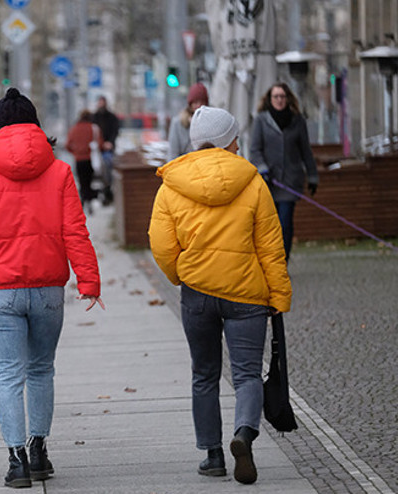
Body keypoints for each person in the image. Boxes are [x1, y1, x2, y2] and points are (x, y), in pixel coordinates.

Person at [0, 88, 104, 489]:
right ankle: (39, 450)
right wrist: (89, 280)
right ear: (36, 126)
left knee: (9, 375)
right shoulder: (60, 171)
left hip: (1, 290)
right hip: (48, 288)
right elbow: (75, 231)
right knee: (41, 369)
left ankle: (16, 462)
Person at [148, 106, 291, 485]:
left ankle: (212, 455)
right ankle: (243, 434)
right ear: (227, 141)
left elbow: (161, 245)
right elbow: (270, 247)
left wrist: (179, 274)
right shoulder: (252, 181)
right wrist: (279, 296)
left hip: (197, 293)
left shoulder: (171, 184)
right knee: (246, 374)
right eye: (236, 138)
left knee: (204, 374)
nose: (240, 144)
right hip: (247, 294)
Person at [249, 82, 319, 260]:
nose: (279, 100)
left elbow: (305, 150)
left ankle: (282, 260)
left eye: (282, 96)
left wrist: (313, 176)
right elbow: (255, 150)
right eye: (276, 97)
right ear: (269, 99)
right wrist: (262, 169)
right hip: (268, 182)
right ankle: (269, 260)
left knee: (285, 222)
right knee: (269, 225)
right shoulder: (261, 120)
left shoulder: (298, 121)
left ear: (287, 99)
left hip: (290, 181)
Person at [65, 109, 104, 214]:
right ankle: (89, 201)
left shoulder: (74, 129)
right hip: (90, 159)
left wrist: (75, 152)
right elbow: (100, 144)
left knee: (82, 182)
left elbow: (67, 145)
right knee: (89, 181)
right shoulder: (93, 128)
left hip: (78, 160)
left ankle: (82, 201)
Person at [167, 82, 209, 160]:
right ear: (190, 104)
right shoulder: (178, 123)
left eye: (202, 102)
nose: (199, 106)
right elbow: (173, 153)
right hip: (184, 164)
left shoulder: (211, 123)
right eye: (195, 102)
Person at [92, 95, 120, 205]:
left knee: (108, 167)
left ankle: (107, 190)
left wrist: (110, 143)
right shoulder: (94, 117)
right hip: (96, 149)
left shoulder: (111, 117)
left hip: (108, 148)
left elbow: (115, 131)